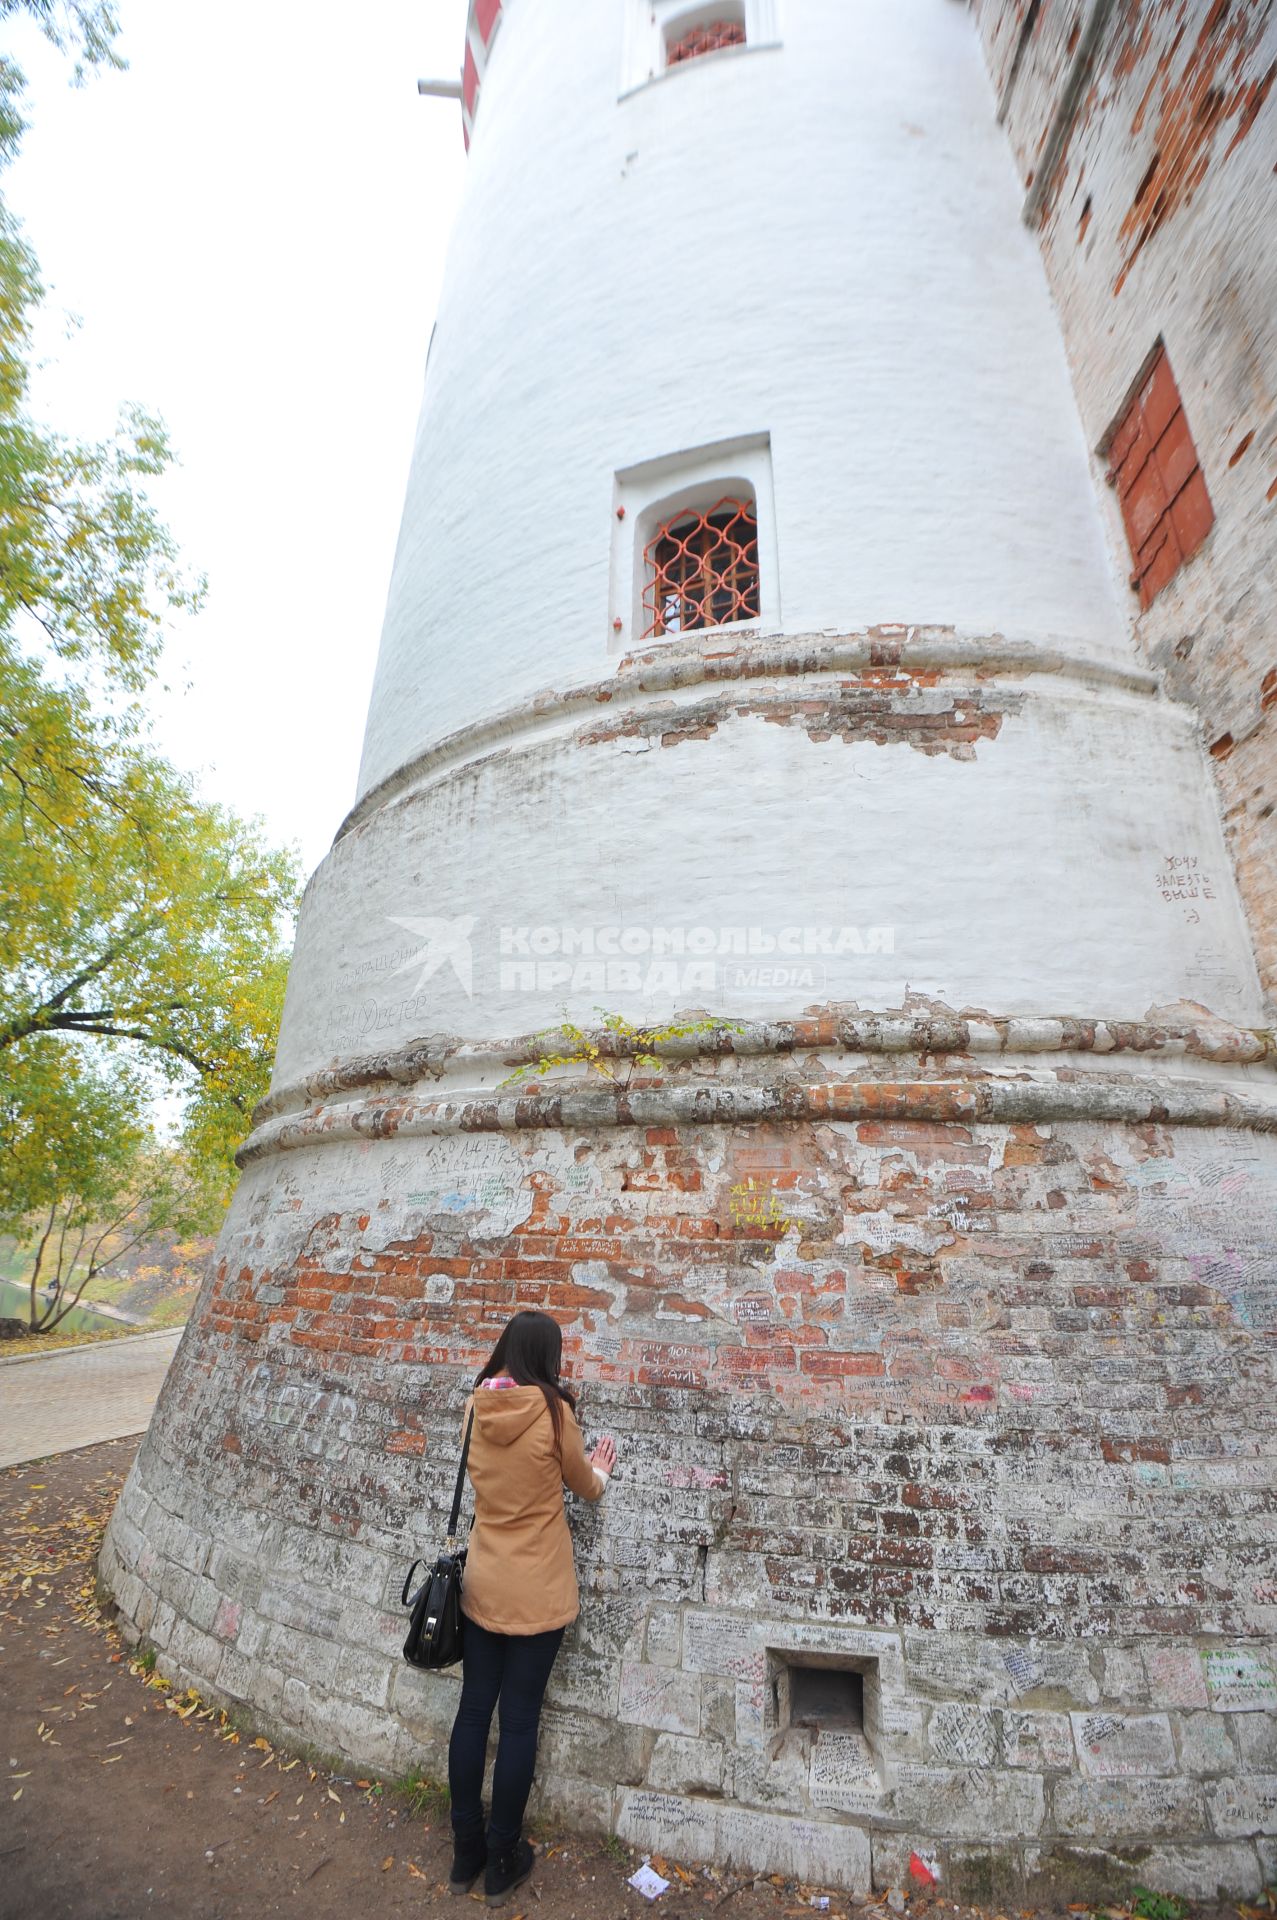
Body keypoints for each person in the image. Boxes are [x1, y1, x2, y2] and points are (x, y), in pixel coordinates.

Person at [447, 1309, 618, 1907]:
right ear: (547, 1355)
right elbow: (584, 1485)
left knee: (472, 1714)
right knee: (518, 1722)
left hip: (484, 1583)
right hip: (538, 1588)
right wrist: (601, 1468)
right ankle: (502, 1857)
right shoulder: (552, 1412)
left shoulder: (476, 1406)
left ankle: (464, 1850)